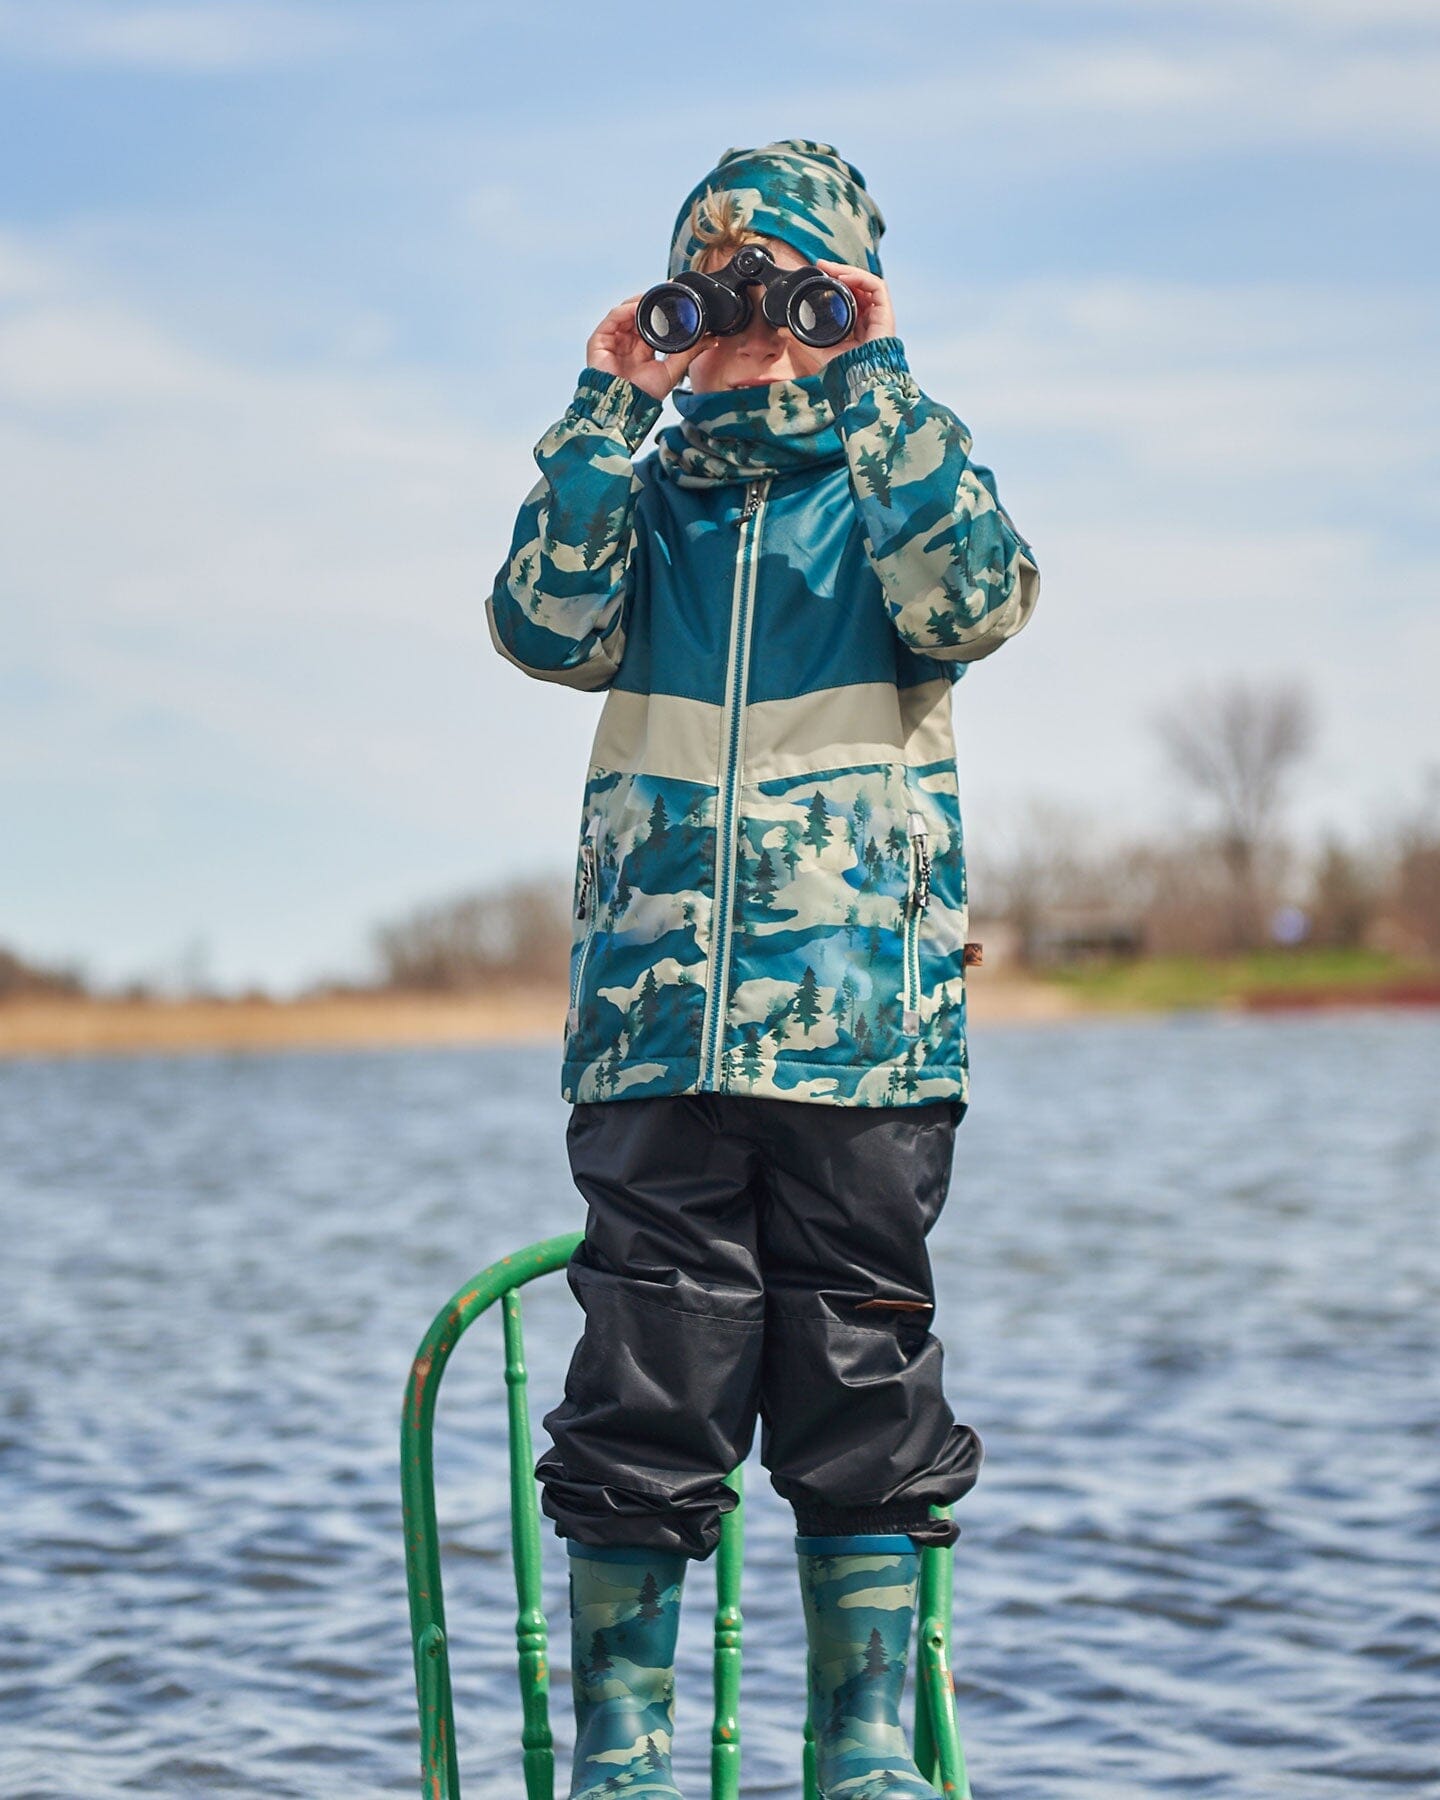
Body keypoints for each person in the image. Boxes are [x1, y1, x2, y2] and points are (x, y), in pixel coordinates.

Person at [486, 139, 1039, 1800]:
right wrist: (606, 406)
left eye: (791, 297)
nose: (757, 330)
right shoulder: (640, 506)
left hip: (864, 1032)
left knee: (862, 1382)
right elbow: (539, 624)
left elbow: (982, 595)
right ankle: (625, 1755)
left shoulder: (893, 496)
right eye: (720, 296)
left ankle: (863, 1748)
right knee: (643, 1387)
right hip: (654, 1035)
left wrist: (875, 374)